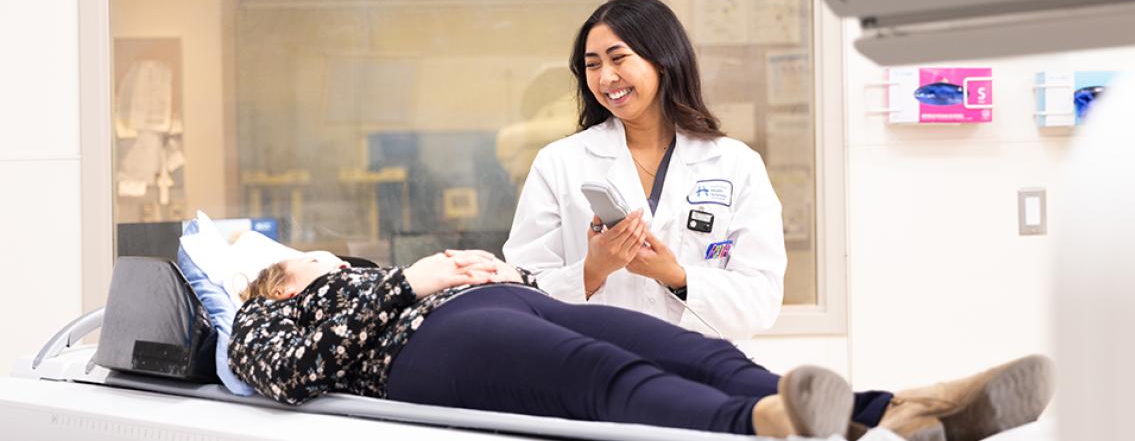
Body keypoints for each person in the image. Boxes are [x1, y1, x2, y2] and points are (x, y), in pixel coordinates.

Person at [228, 249, 1054, 441]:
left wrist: (493, 268)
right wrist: (409, 284)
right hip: (424, 345)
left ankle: (902, 410)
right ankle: (761, 426)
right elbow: (288, 375)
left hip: (507, 299)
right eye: (314, 260)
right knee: (600, 377)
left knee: (699, 351)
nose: (332, 258)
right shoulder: (265, 315)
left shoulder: (362, 273)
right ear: (279, 283)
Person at [503, 0, 785, 340]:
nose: (606, 78)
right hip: (598, 372)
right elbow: (520, 293)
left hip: (701, 377)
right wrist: (592, 271)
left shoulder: (735, 164)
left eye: (618, 58)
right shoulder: (559, 163)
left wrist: (676, 277)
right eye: (592, 65)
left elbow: (761, 301)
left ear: (662, 60)